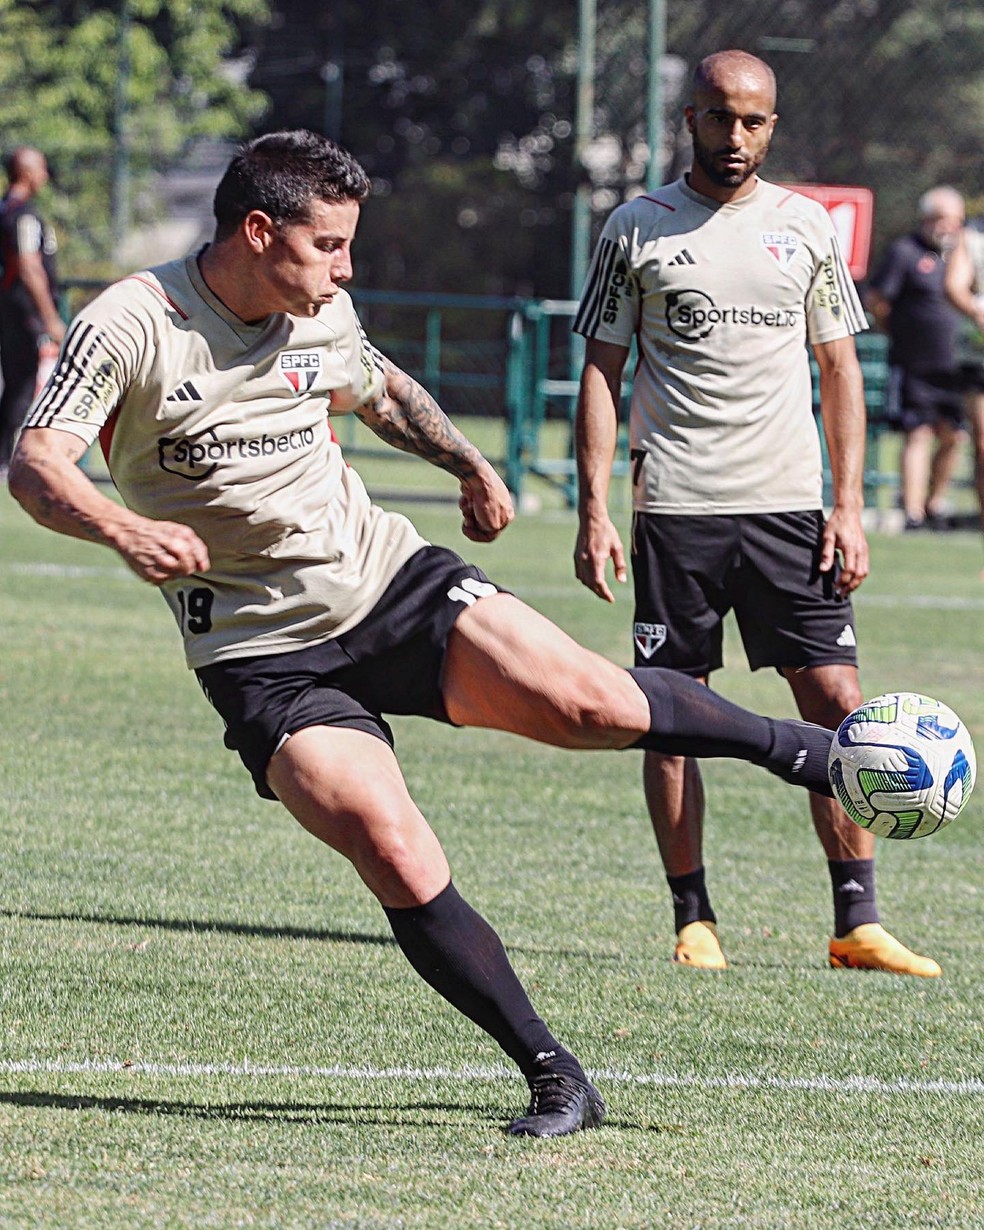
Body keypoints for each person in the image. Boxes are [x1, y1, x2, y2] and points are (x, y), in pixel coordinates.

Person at [9, 129, 845, 1138]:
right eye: (329, 247)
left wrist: (468, 465)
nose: (345, 268)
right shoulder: (135, 323)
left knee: (592, 703)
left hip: (390, 585)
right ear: (259, 230)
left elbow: (382, 390)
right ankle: (554, 1075)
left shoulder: (322, 311)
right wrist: (123, 526)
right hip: (259, 653)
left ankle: (814, 755)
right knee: (392, 847)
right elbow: (38, 466)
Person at [572, 51, 940, 978]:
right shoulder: (636, 228)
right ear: (688, 117)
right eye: (718, 119)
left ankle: (856, 921)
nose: (734, 139)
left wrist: (850, 507)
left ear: (772, 125)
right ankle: (692, 917)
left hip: (790, 511)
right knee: (667, 714)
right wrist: (594, 510)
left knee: (841, 706)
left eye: (754, 122)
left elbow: (840, 370)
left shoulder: (806, 226)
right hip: (680, 511)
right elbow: (602, 374)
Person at [865, 186, 967, 532]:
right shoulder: (904, 252)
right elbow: (878, 300)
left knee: (955, 436)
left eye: (956, 220)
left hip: (957, 367)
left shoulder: (962, 256)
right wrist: (896, 332)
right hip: (915, 363)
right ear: (926, 219)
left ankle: (934, 503)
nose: (948, 227)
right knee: (918, 434)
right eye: (941, 219)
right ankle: (912, 512)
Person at [0, 146, 65, 475]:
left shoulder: (5, 209)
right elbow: (28, 266)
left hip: (9, 311)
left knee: (16, 385)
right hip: (23, 313)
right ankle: (12, 462)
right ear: (26, 173)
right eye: (40, 169)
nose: (45, 176)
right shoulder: (23, 215)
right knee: (25, 386)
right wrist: (50, 319)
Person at [943, 218, 984, 575]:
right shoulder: (971, 238)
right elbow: (955, 286)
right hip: (979, 359)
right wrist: (977, 310)